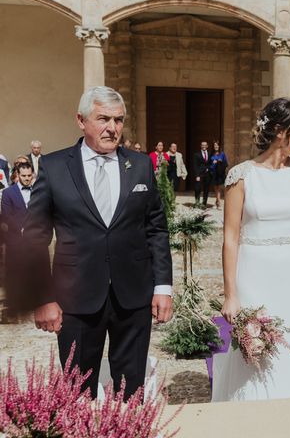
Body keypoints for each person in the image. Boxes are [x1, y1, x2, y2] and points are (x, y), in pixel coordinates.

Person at [22, 86, 173, 399]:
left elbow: (156, 229)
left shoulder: (140, 165)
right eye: (103, 119)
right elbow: (34, 238)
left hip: (133, 298)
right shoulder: (53, 167)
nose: (112, 128)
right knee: (77, 393)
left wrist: (163, 288)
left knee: (131, 393)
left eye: (118, 120)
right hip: (75, 300)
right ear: (81, 120)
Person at [215, 98, 290, 401]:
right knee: (254, 357)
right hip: (254, 277)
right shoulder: (241, 176)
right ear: (281, 130)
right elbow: (230, 237)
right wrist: (231, 294)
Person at [0, 162, 34, 313]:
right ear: (17, 175)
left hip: (35, 238)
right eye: (24, 176)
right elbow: (7, 216)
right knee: (15, 271)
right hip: (16, 239)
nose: (27, 179)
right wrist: (21, 229)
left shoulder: (39, 191)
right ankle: (16, 303)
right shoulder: (8, 193)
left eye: (29, 175)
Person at [210, 141, 228, 210]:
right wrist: (213, 164)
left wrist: (220, 161)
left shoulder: (222, 154)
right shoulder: (211, 154)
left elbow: (226, 163)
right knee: (215, 188)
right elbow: (209, 163)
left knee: (219, 188)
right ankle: (217, 202)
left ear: (219, 146)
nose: (216, 147)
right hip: (213, 173)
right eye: (214, 146)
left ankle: (218, 203)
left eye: (217, 145)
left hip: (219, 173)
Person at [193, 141, 212, 207]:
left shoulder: (210, 154)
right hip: (200, 174)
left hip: (207, 174)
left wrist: (209, 169)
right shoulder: (196, 154)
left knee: (206, 189)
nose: (204, 146)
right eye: (202, 145)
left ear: (207, 146)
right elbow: (195, 166)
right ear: (201, 146)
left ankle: (204, 203)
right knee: (197, 189)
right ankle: (197, 203)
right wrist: (197, 175)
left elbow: (211, 163)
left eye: (205, 145)